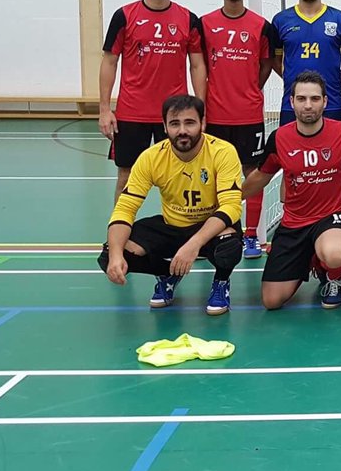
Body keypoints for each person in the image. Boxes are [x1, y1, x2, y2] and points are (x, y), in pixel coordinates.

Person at [98, 94, 242, 316]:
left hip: (209, 227)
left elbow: (231, 207)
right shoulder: (151, 157)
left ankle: (221, 282)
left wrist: (193, 245)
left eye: (190, 122)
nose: (182, 130)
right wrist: (117, 255)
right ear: (164, 126)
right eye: (175, 124)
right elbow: (125, 208)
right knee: (110, 252)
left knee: (229, 246)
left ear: (202, 123)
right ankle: (169, 273)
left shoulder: (222, 152)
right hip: (172, 225)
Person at [241, 72, 341, 310]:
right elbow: (261, 177)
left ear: (325, 101)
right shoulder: (279, 138)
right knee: (271, 300)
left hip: (331, 217)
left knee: (334, 253)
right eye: (301, 99)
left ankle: (334, 276)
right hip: (294, 222)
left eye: (314, 99)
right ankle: (311, 259)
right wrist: (226, 199)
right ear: (291, 102)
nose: (308, 105)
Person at [99, 0, 205, 197]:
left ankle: (180, 231)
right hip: (132, 112)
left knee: (181, 173)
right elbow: (109, 61)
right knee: (127, 174)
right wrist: (105, 109)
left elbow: (198, 66)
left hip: (175, 114)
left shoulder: (188, 19)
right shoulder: (124, 16)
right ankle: (120, 233)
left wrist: (201, 108)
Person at [201, 0, 281, 259]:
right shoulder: (206, 23)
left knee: (254, 173)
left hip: (248, 115)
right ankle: (217, 231)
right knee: (212, 174)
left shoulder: (261, 26)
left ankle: (250, 236)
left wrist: (248, 89)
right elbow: (200, 65)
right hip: (216, 115)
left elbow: (265, 66)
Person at [271, 0, 341, 125]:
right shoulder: (281, 20)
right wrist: (291, 77)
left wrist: (339, 80)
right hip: (292, 104)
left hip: (332, 103)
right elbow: (274, 60)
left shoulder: (339, 19)